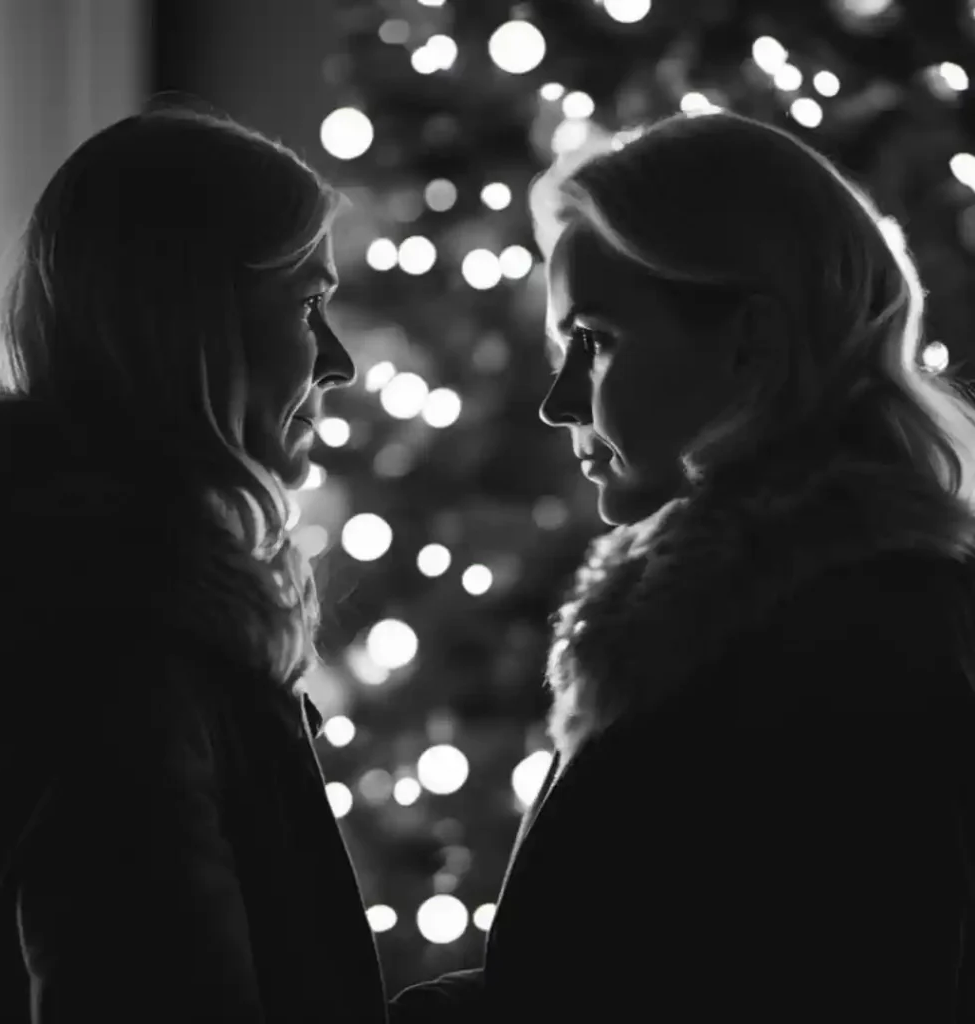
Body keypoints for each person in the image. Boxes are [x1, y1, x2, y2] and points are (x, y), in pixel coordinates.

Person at [391, 111, 975, 1022]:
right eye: (560, 349)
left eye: (596, 340)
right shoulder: (706, 614)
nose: (557, 402)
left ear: (751, 343)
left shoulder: (864, 639)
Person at [0, 104, 387, 1022]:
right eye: (309, 304)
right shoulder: (100, 630)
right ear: (188, 320)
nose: (338, 361)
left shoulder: (111, 584)